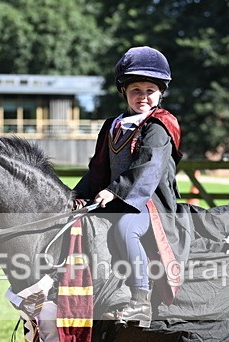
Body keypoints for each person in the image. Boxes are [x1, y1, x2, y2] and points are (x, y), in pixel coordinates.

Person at [73, 46, 187, 327]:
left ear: (161, 93)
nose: (143, 97)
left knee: (126, 227)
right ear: (124, 91)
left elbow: (147, 166)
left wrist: (115, 191)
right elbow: (98, 169)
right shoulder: (113, 125)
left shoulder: (160, 125)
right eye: (136, 90)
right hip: (116, 197)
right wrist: (76, 195)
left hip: (151, 203)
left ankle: (140, 300)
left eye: (150, 90)